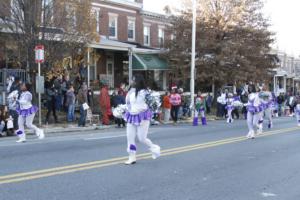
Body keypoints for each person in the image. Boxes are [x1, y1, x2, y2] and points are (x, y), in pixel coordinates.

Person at [124, 74, 161, 165]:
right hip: (131, 116)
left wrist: (152, 104)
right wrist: (122, 109)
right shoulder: (131, 91)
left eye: (133, 80)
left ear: (137, 81)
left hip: (142, 117)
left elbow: (154, 104)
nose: (131, 82)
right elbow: (128, 104)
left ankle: (155, 148)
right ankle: (132, 157)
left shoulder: (145, 92)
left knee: (142, 138)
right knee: (130, 137)